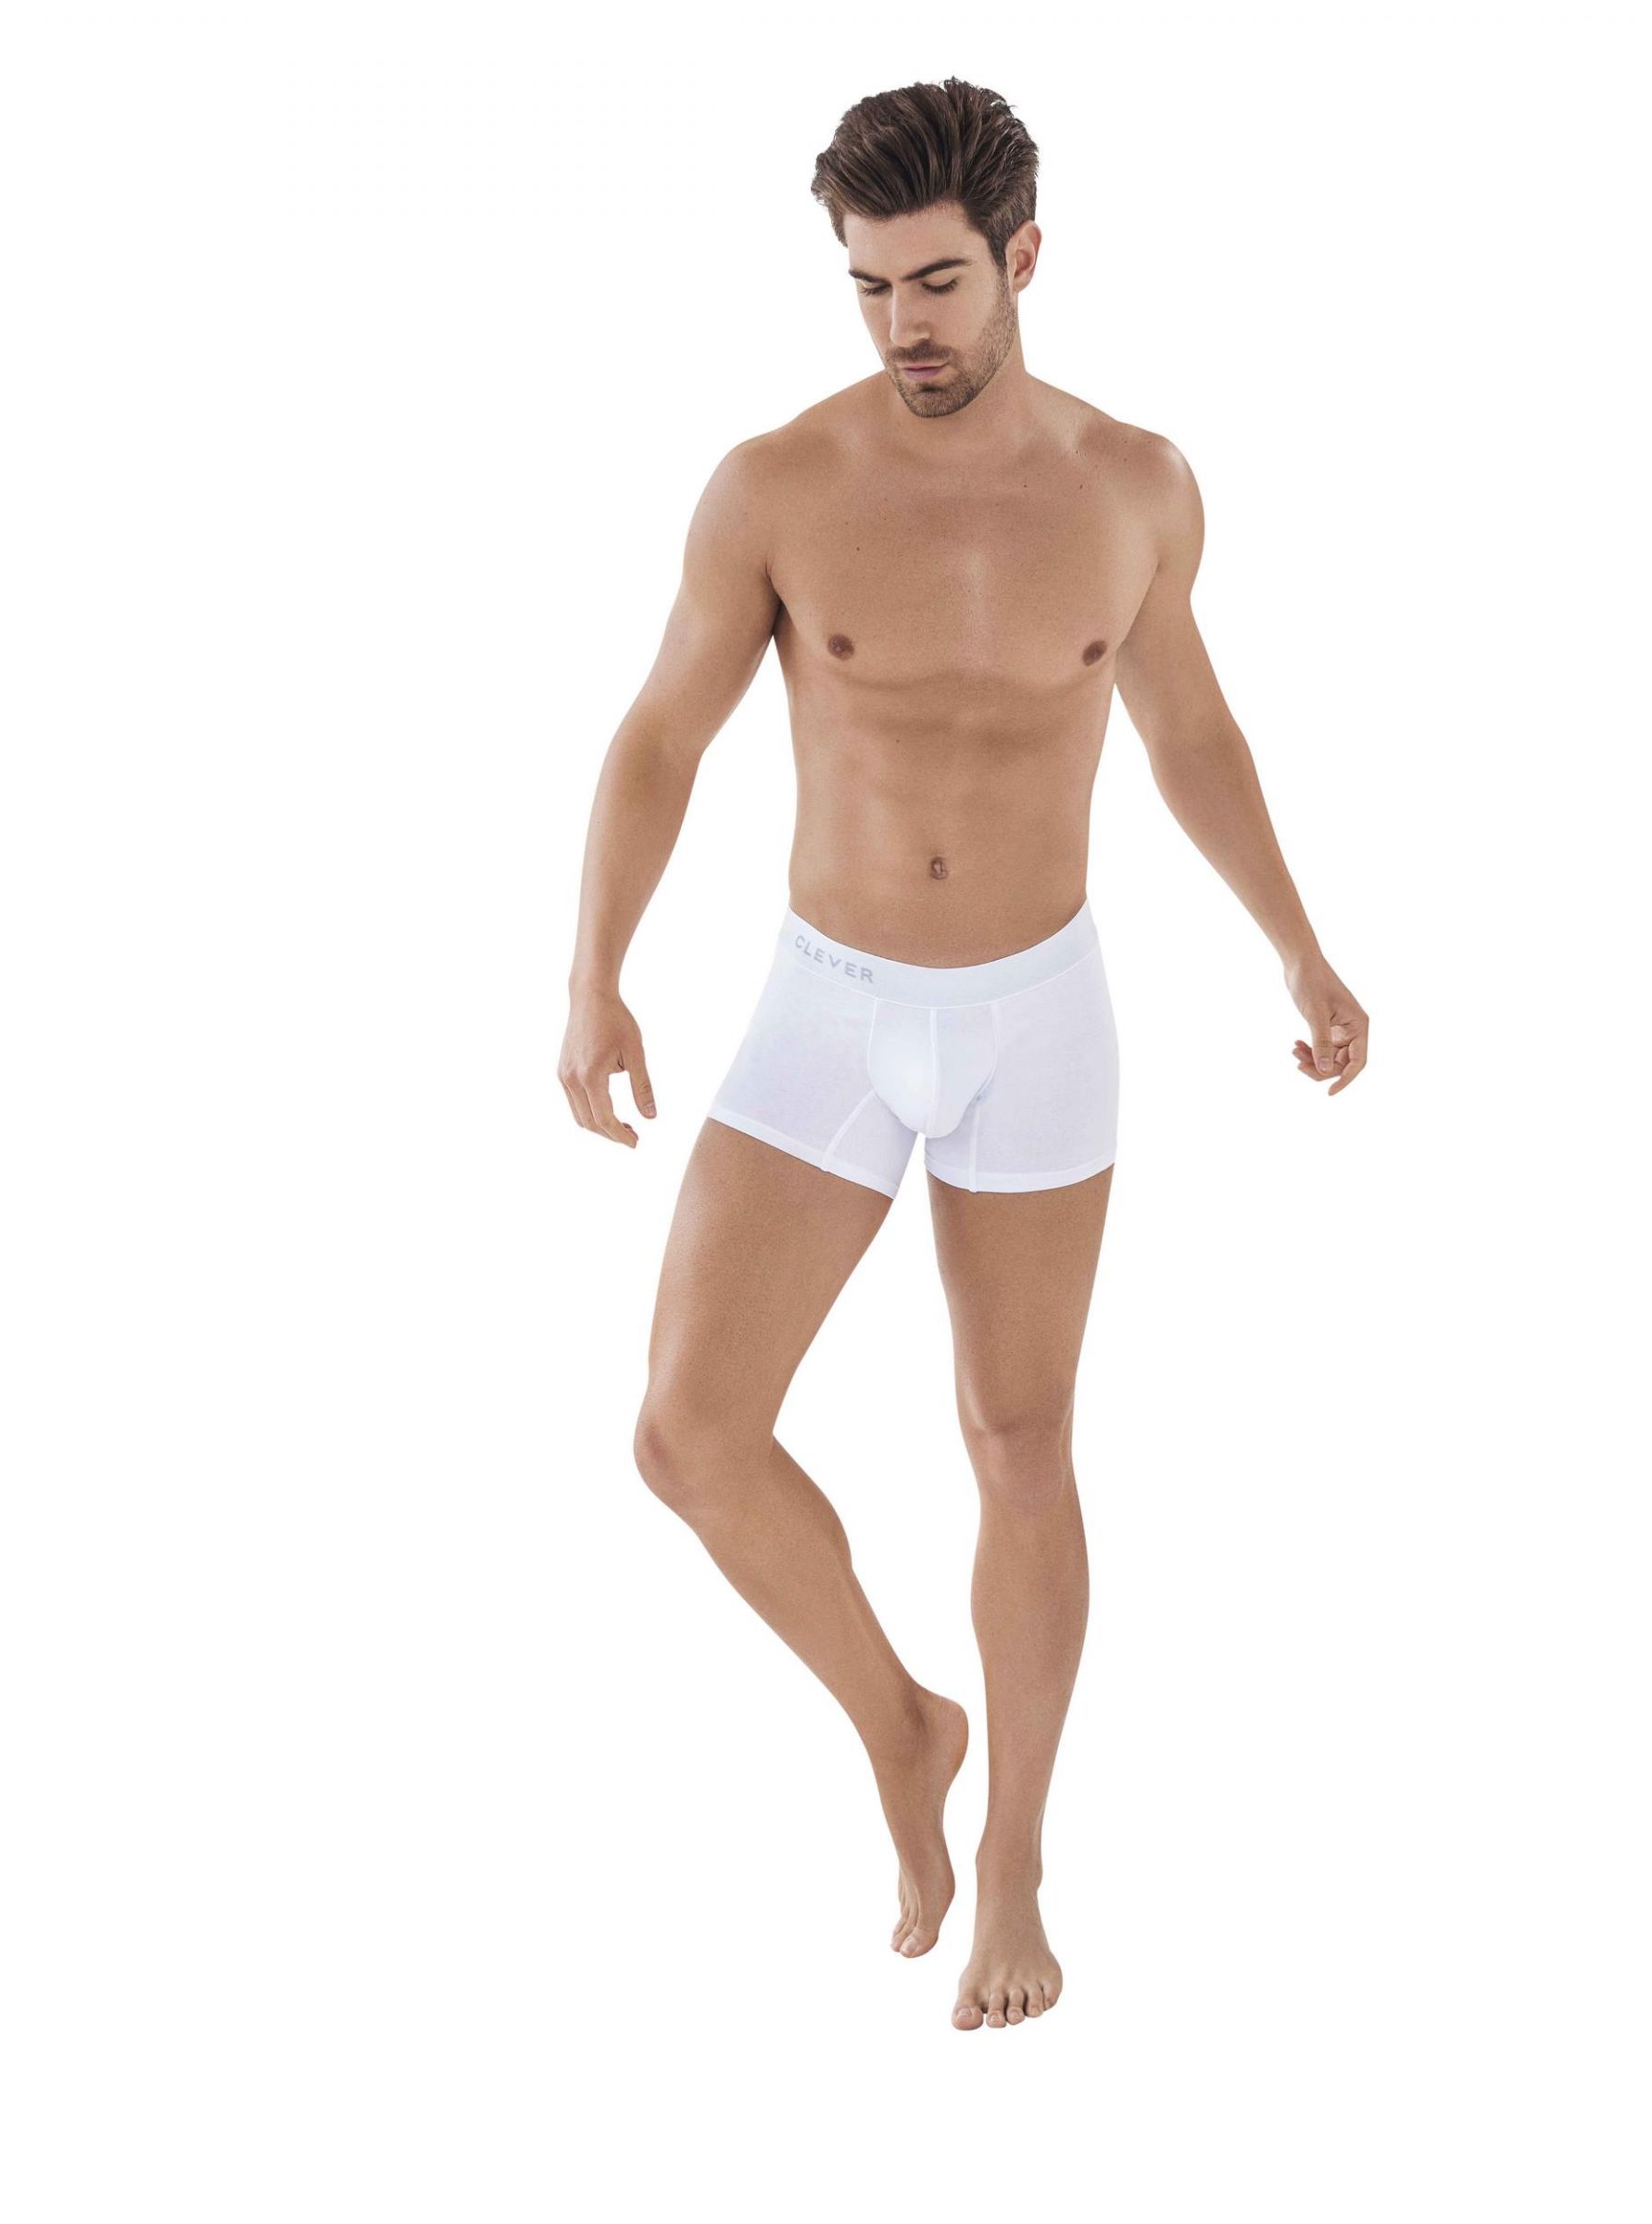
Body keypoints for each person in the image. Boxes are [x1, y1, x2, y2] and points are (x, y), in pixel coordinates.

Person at [561, 76, 1369, 2033]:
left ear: (1023, 259)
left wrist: (1300, 947)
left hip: (1036, 1016)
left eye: (934, 284)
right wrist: (594, 974)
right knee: (686, 1434)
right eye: (865, 287)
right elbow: (661, 733)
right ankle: (903, 1726)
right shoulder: (774, 485)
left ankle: (1013, 1854)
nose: (900, 326)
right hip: (830, 1005)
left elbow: (1191, 733)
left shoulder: (1135, 487)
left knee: (1018, 1443)